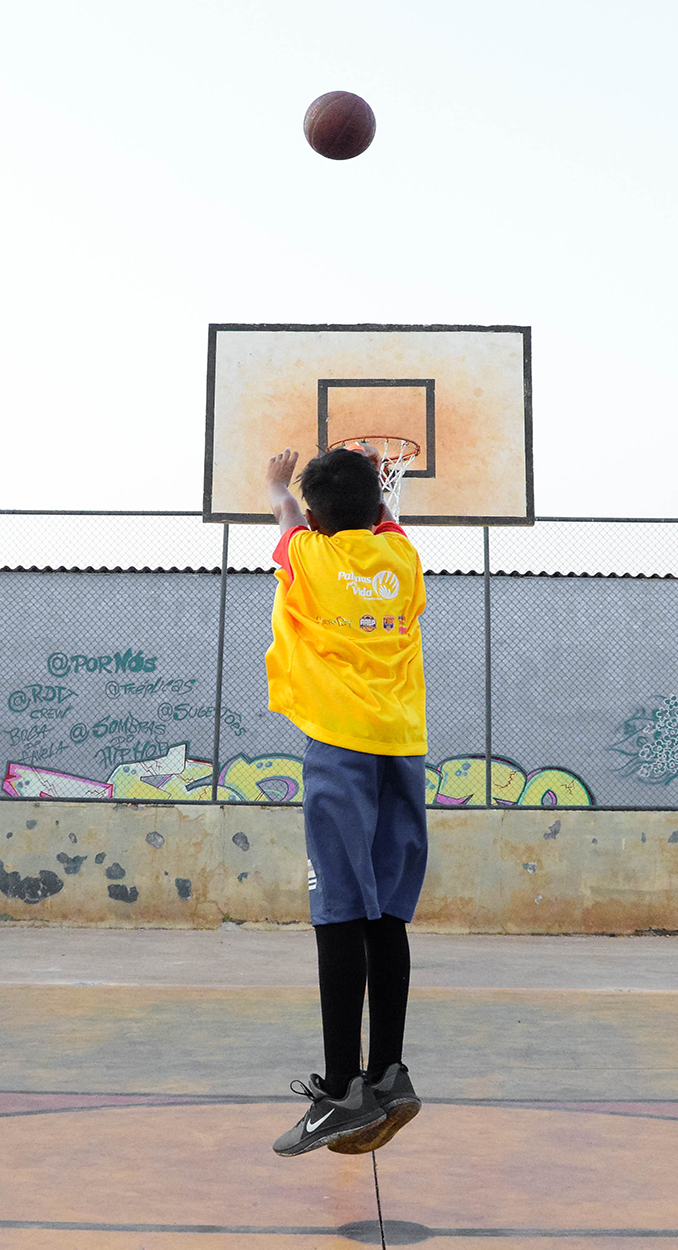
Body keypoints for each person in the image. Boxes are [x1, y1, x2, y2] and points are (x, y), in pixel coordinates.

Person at [263, 444, 428, 1157]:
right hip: (403, 747)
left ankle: (340, 1091)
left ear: (319, 519)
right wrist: (377, 487)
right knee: (386, 913)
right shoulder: (404, 563)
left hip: (340, 746)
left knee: (338, 910)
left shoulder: (309, 559)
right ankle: (389, 1074)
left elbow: (288, 515)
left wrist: (276, 483)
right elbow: (377, 523)